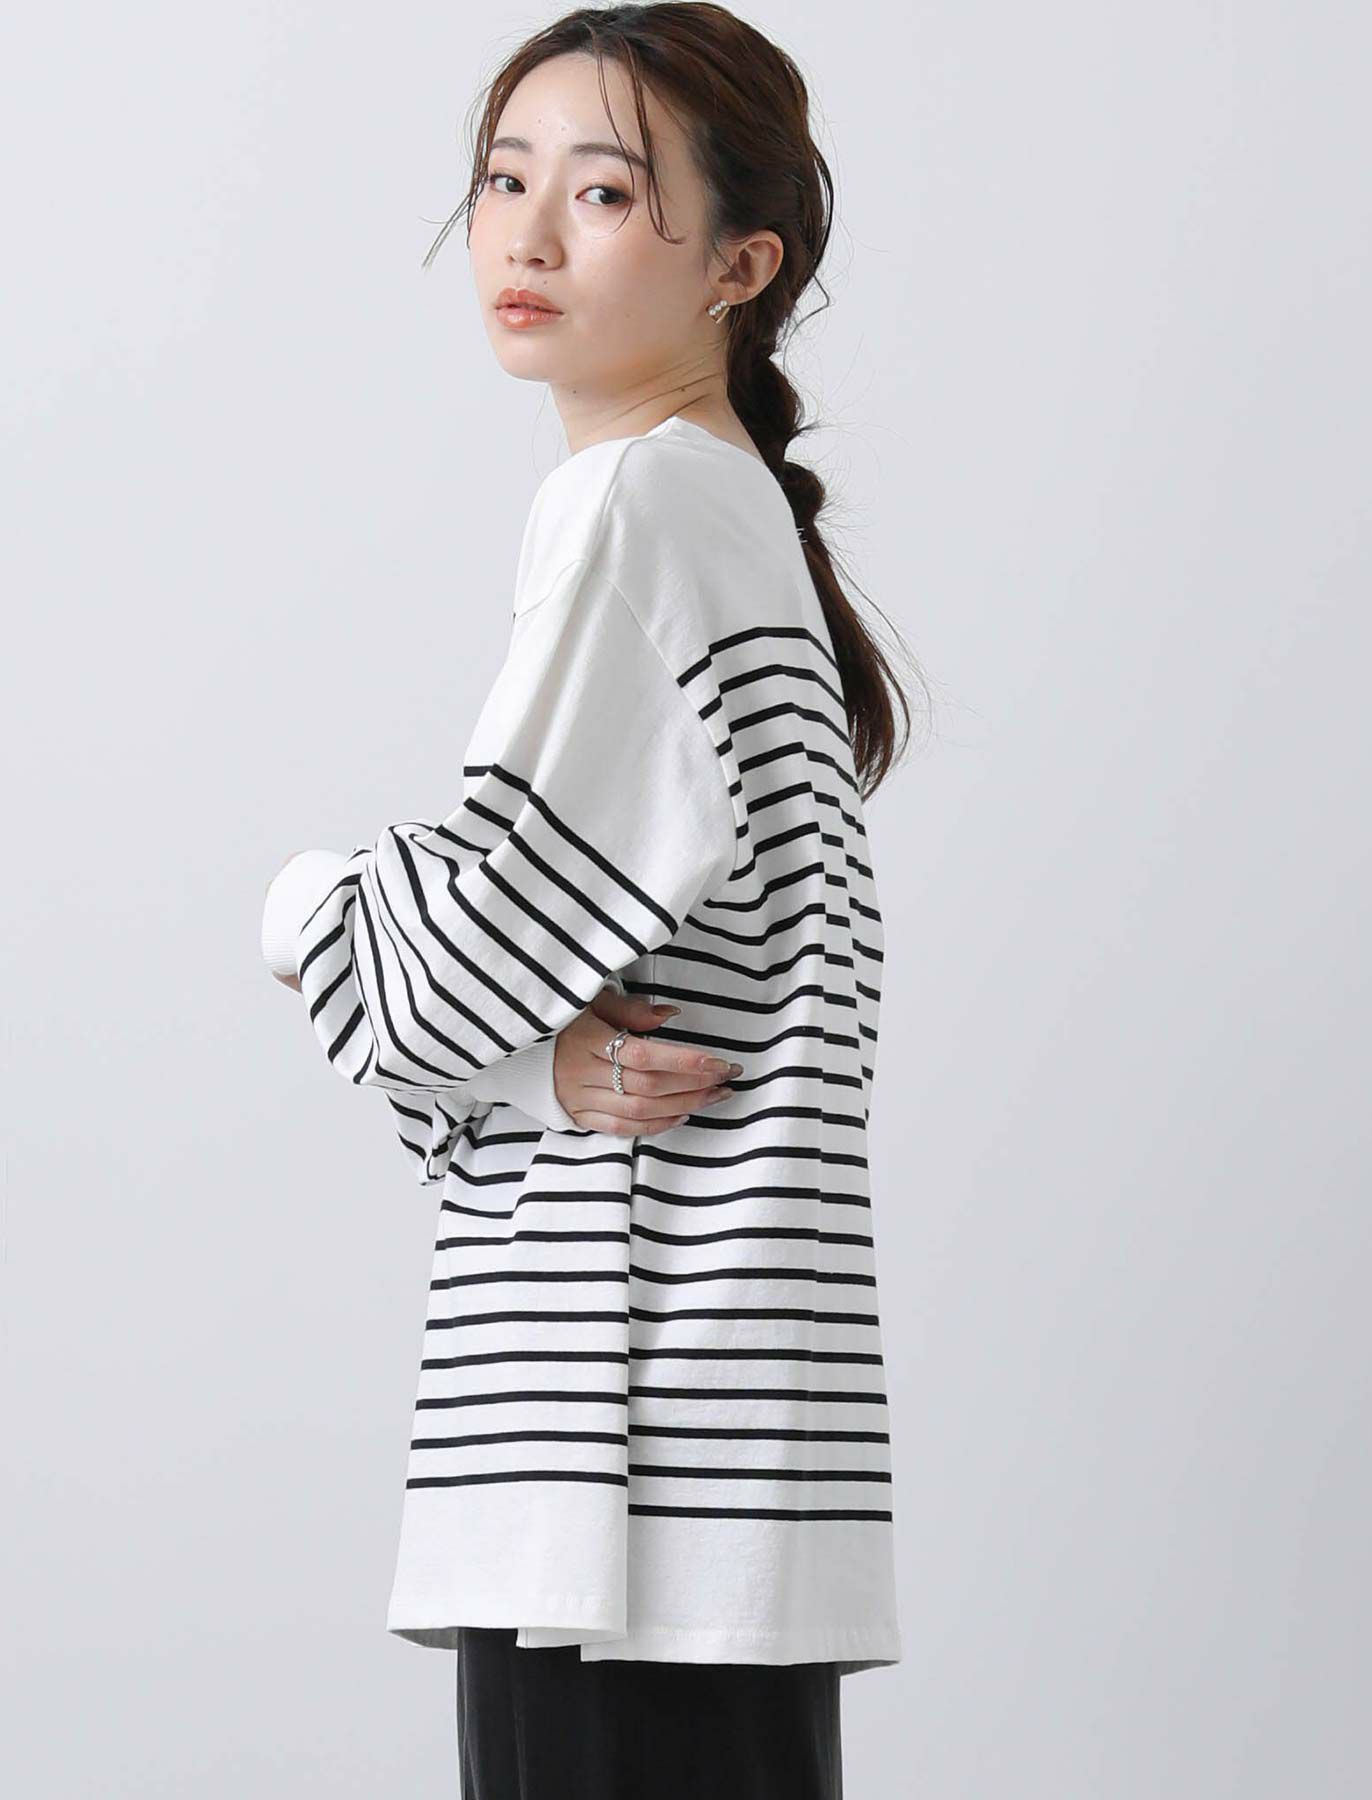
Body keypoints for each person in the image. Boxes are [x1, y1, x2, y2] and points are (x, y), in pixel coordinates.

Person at [260, 6, 925, 1794]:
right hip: (712, 1462)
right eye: (504, 180)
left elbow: (435, 984)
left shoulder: (639, 507)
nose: (531, 235)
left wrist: (304, 898)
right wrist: (541, 1070)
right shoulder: (726, 518)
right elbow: (551, 993)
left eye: (607, 192)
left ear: (738, 266)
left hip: (615, 1460)